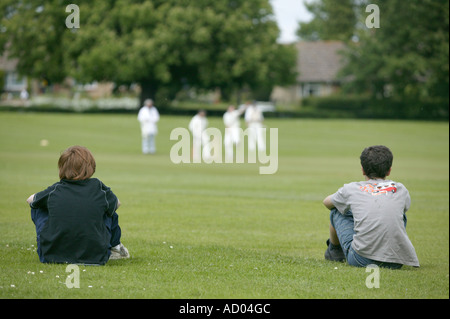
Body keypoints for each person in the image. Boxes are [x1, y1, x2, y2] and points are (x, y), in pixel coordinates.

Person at [26, 145, 129, 265]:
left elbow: (30, 200)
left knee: (38, 206)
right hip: (97, 256)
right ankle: (116, 248)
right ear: (91, 167)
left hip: (50, 257)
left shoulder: (56, 189)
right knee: (110, 210)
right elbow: (117, 203)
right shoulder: (98, 187)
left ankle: (52, 245)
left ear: (62, 167)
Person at [322, 145, 419, 269]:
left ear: (363, 170)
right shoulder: (400, 189)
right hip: (396, 261)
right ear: (389, 170)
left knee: (336, 210)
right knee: (401, 214)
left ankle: (334, 252)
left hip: (361, 259)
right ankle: (390, 249)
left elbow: (327, 202)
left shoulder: (352, 188)